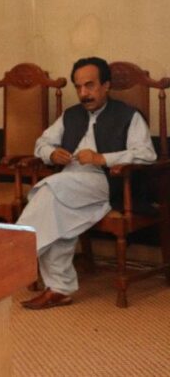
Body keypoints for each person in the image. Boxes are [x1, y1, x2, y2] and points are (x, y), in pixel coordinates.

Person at [17, 57, 155, 310]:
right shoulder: (71, 115)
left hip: (107, 180)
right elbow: (41, 144)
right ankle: (59, 289)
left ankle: (14, 254)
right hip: (68, 181)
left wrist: (102, 158)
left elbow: (147, 154)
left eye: (89, 85)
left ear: (106, 85)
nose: (83, 93)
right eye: (78, 87)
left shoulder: (128, 116)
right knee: (57, 212)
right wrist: (52, 154)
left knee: (49, 190)